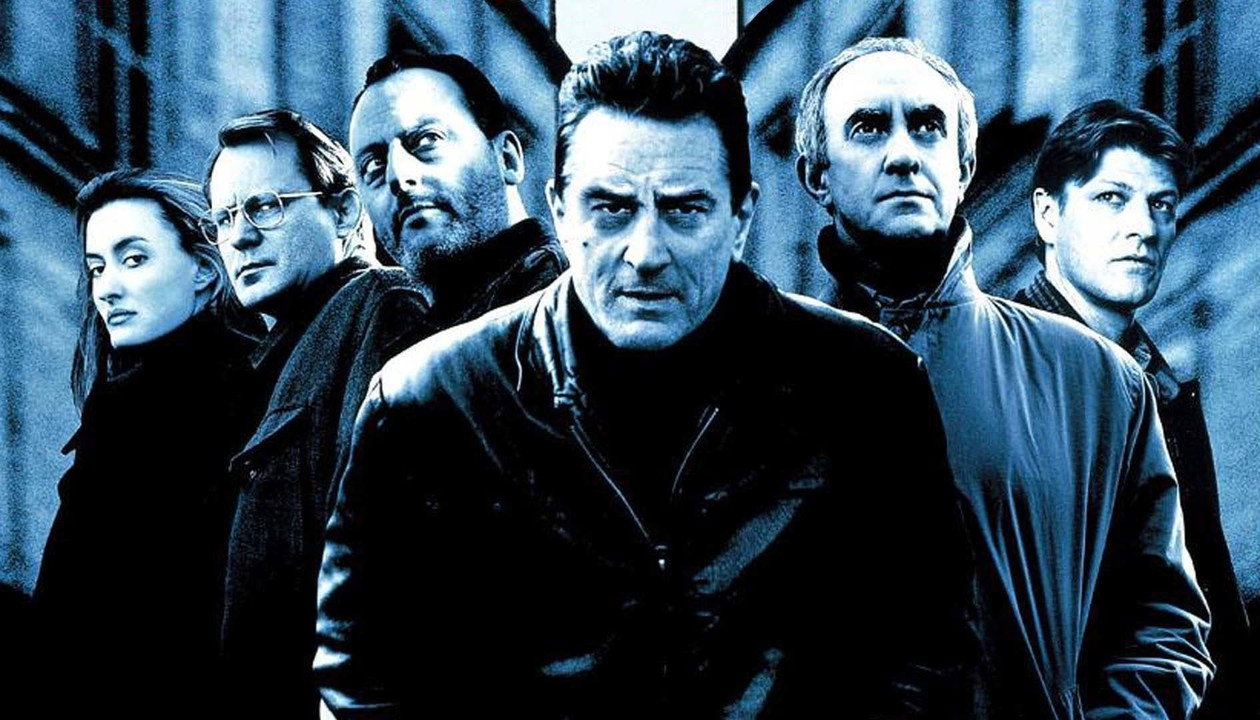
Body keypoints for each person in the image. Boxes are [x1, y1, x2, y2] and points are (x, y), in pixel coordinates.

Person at [316, 31, 975, 718]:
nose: (645, 252)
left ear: (741, 217)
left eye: (684, 208)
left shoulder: (868, 386)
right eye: (612, 208)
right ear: (560, 210)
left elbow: (926, 664)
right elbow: (365, 677)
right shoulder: (428, 402)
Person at [794, 37, 1213, 719]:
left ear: (964, 165)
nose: (903, 153)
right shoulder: (754, 380)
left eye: (927, 126)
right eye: (868, 127)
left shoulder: (1099, 381)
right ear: (817, 174)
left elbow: (1161, 623)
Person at [1012, 99, 1251, 720]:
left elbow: (1210, 613)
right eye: (1112, 199)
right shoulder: (1001, 370)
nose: (1143, 227)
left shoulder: (1162, 389)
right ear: (1048, 215)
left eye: (1161, 205)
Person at [204, 109, 431, 719]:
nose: (239, 237)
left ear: (345, 210)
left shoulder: (379, 306)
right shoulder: (277, 356)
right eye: (224, 218)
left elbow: (385, 541)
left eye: (266, 207)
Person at [33, 169, 260, 719]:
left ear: (205, 270)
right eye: (97, 267)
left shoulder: (161, 409)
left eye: (133, 259)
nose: (106, 288)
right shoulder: (134, 403)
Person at [349, 50, 567, 326]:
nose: (399, 177)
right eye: (373, 165)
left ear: (507, 158)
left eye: (428, 140)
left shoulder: (566, 307)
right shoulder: (402, 335)